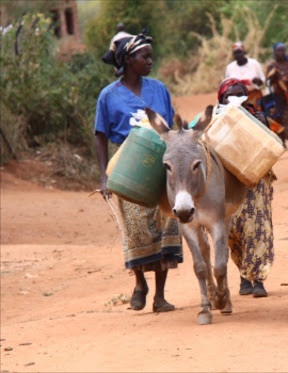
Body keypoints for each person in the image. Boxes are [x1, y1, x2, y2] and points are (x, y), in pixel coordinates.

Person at [95, 31, 182, 313]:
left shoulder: (159, 89)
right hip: (126, 165)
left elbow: (170, 127)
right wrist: (103, 176)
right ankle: (139, 282)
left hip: (160, 160)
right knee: (135, 228)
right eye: (145, 57)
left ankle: (160, 295)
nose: (150, 61)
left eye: (151, 57)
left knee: (166, 223)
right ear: (129, 59)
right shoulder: (108, 95)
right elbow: (100, 135)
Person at [217, 78, 276, 298]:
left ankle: (258, 279)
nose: (234, 100)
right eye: (228, 97)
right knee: (234, 230)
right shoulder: (215, 121)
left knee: (258, 228)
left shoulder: (257, 116)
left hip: (257, 181)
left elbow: (273, 148)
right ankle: (243, 276)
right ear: (221, 99)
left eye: (239, 95)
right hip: (230, 184)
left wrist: (264, 126)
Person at [225, 42, 266, 111]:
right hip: (238, 100)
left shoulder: (254, 63)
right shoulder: (230, 67)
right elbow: (227, 84)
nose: (238, 55)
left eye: (239, 52)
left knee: (257, 117)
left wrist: (257, 81)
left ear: (244, 52)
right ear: (233, 55)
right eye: (235, 53)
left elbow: (262, 79)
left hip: (254, 96)